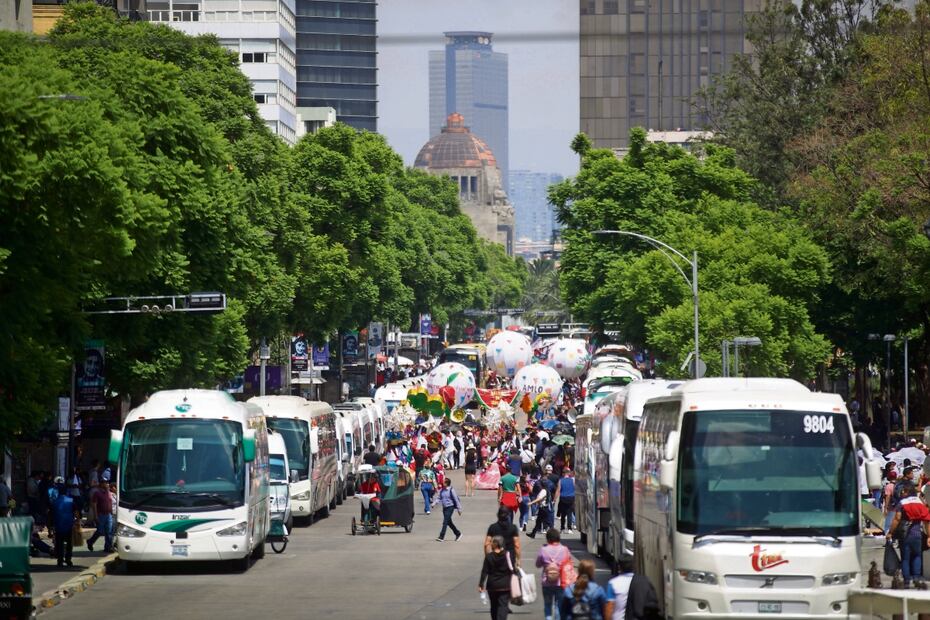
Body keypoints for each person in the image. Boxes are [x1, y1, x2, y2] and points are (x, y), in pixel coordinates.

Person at [887, 482, 930, 587]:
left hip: (905, 535)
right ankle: (916, 578)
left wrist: (890, 532)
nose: (901, 493)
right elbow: (927, 521)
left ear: (908, 491)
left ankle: (907, 581)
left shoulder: (902, 503)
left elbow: (897, 518)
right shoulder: (920, 502)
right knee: (917, 556)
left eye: (903, 491)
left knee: (905, 558)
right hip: (917, 534)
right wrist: (929, 536)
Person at [536, 528, 573, 620]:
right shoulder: (565, 550)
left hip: (546, 582)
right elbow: (569, 562)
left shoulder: (543, 550)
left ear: (548, 538)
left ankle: (548, 618)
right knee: (558, 606)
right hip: (560, 581)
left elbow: (538, 564)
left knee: (547, 605)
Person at [479, 535, 514, 620]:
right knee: (503, 606)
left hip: (492, 585)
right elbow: (512, 569)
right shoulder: (508, 555)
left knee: (494, 607)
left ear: (495, 544)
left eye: (492, 542)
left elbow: (484, 571)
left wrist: (481, 584)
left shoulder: (489, 557)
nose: (490, 544)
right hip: (505, 585)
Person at [86, 477, 113, 553]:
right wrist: (96, 516)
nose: (107, 484)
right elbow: (94, 505)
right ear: (101, 484)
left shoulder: (109, 493)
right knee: (100, 531)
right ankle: (90, 541)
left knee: (109, 532)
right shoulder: (97, 493)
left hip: (109, 515)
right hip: (101, 515)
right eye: (105, 482)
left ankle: (108, 547)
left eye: (107, 482)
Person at [527, 471, 556, 538]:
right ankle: (533, 534)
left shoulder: (543, 491)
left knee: (549, 522)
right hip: (544, 508)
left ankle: (554, 536)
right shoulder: (547, 490)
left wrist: (531, 503)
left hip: (544, 509)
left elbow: (539, 499)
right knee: (539, 521)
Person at [52, 485, 75, 567]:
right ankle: (68, 559)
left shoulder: (55, 501)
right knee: (69, 543)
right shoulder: (71, 500)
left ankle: (60, 560)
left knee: (59, 543)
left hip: (58, 524)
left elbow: (52, 513)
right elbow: (75, 511)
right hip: (68, 524)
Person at [557, 468, 576, 533]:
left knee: (563, 514)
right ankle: (569, 529)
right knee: (569, 514)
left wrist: (554, 499)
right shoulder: (572, 480)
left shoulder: (560, 480)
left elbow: (558, 490)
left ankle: (562, 528)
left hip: (563, 498)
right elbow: (575, 489)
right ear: (568, 473)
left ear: (563, 473)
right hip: (571, 498)